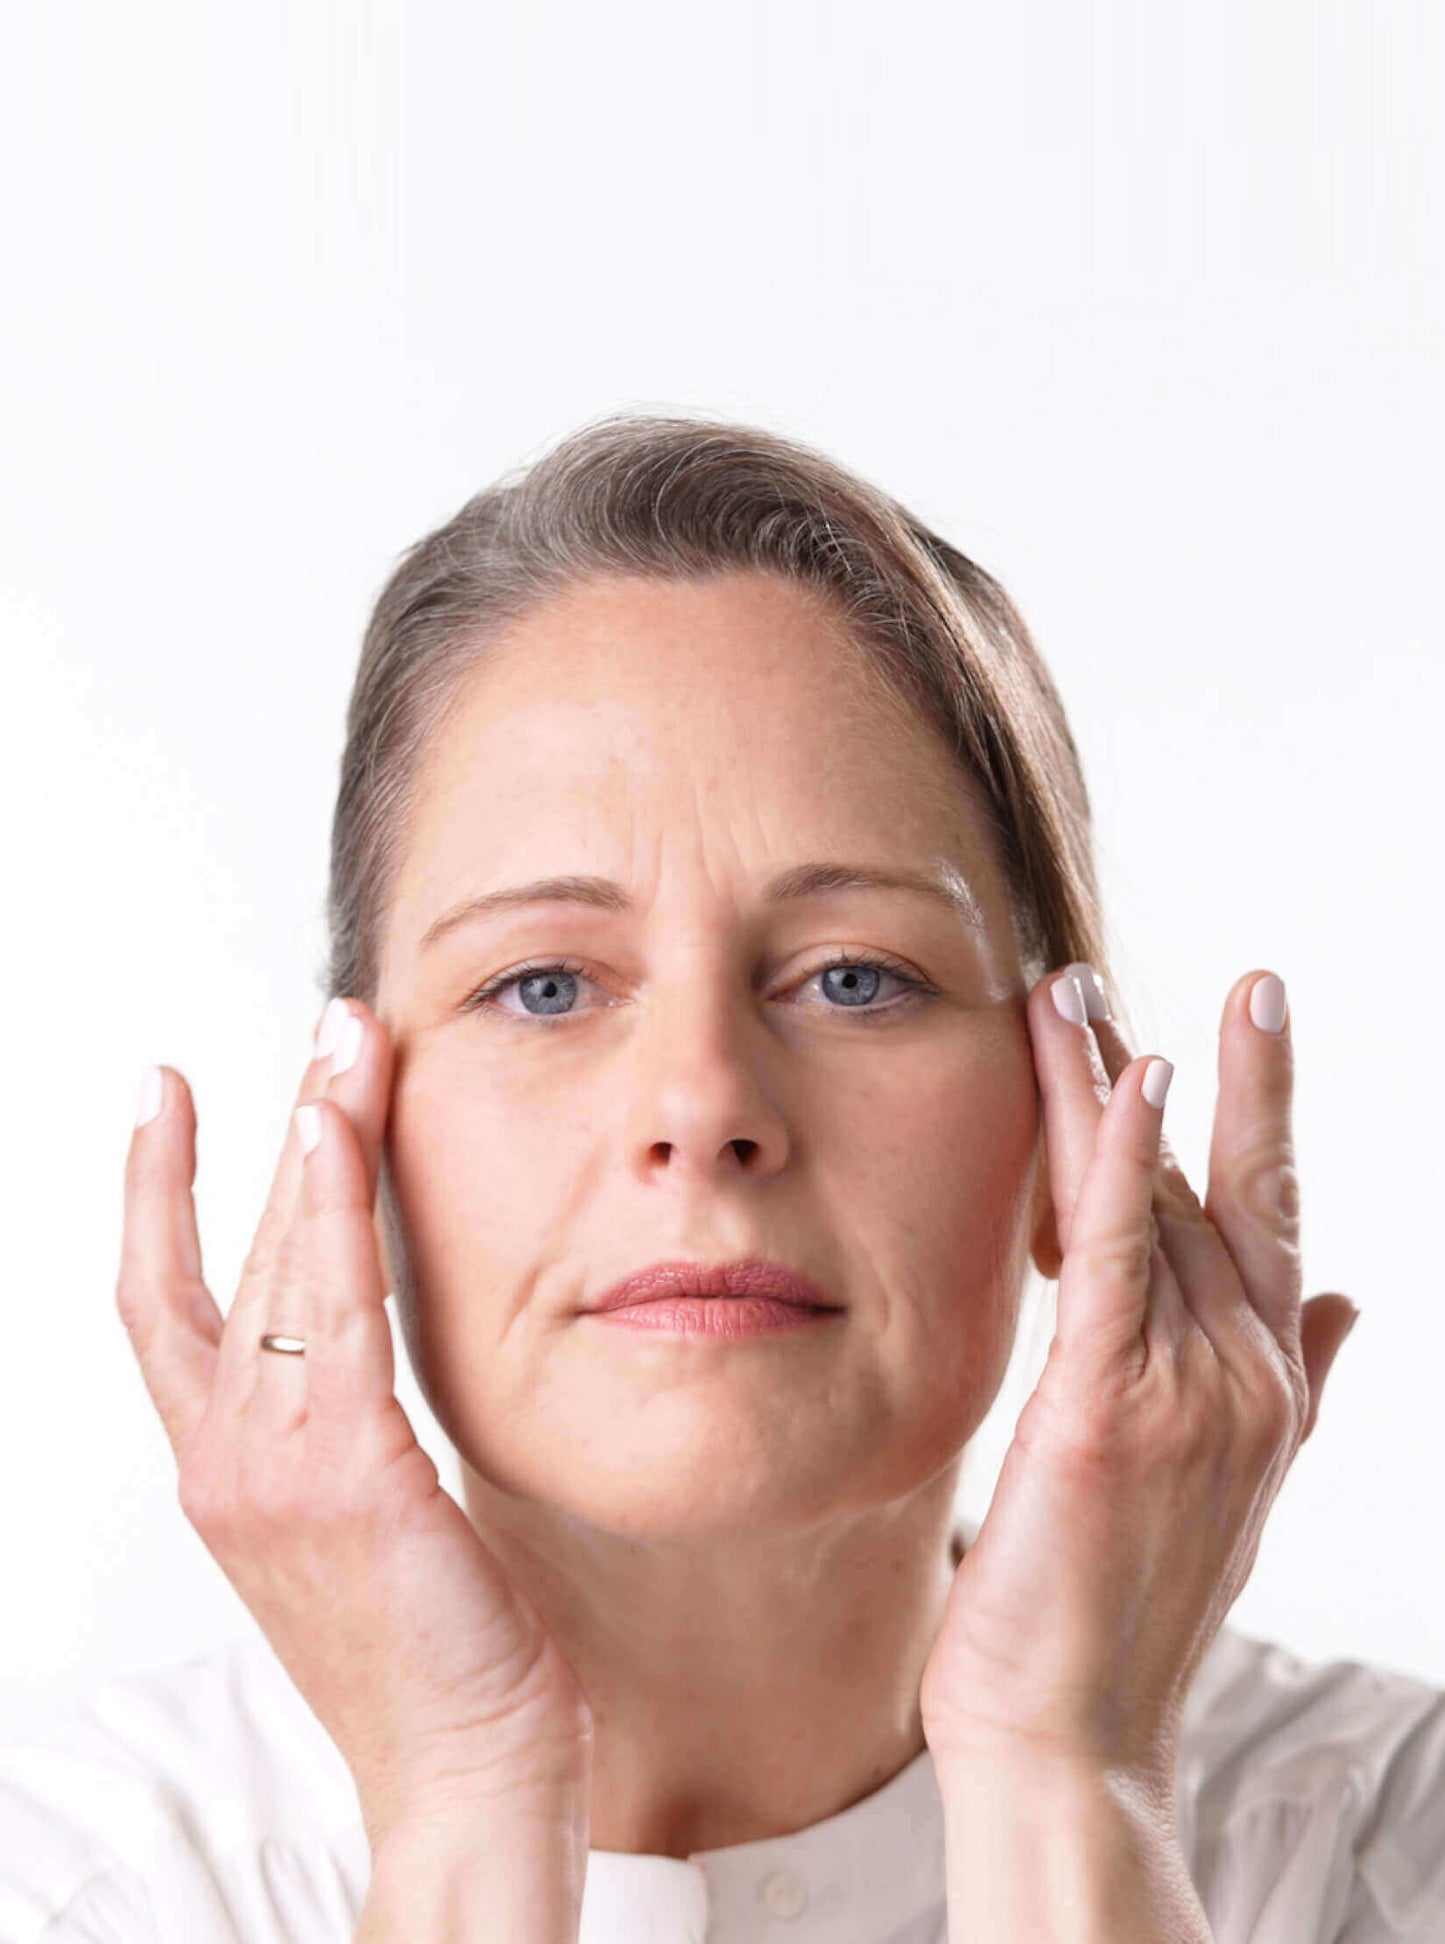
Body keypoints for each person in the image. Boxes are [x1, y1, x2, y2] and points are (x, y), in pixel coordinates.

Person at [3, 413, 1441, 1942]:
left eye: (852, 979)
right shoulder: (75, 1887)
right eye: (545, 985)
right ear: (354, 1136)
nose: (703, 1109)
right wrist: (460, 1804)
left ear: (1068, 1127)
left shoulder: (1381, 1841)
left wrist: (1067, 1784)